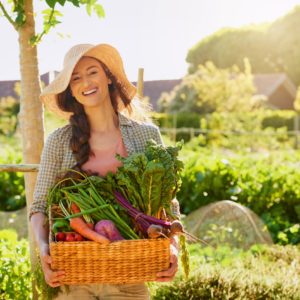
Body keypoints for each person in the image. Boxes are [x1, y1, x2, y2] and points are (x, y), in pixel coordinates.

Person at [29, 43, 180, 299]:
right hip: (73, 279)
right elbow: (40, 206)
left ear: (108, 76)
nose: (85, 81)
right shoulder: (59, 141)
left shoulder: (145, 135)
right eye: (76, 78)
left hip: (129, 279)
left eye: (92, 72)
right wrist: (43, 248)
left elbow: (167, 202)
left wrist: (172, 247)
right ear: (71, 91)